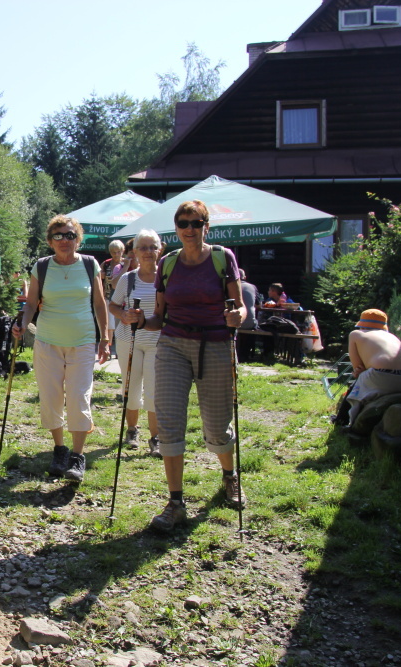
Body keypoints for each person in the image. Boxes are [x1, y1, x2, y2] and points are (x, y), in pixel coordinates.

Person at [137, 200, 246, 532]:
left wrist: (236, 317)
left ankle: (229, 475)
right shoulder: (167, 264)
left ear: (206, 227)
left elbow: (240, 308)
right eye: (182, 224)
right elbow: (159, 316)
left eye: (195, 224)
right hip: (172, 345)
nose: (188, 229)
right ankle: (176, 503)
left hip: (214, 345)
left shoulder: (221, 258)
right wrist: (140, 320)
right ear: (177, 227)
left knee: (215, 426)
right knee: (169, 422)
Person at [13, 215, 109, 483]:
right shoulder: (42, 267)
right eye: (58, 235)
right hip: (47, 342)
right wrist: (22, 322)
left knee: (79, 398)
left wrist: (105, 338)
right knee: (51, 397)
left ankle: (77, 457)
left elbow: (100, 304)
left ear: (78, 239)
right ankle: (59, 449)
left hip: (83, 342)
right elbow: (31, 303)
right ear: (50, 241)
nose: (65, 240)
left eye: (70, 235)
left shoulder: (90, 265)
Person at [110, 229, 163, 458]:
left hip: (158, 342)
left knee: (153, 391)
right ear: (135, 252)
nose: (148, 252)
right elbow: (113, 305)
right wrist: (123, 315)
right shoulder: (128, 278)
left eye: (153, 247)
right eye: (144, 247)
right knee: (131, 387)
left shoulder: (166, 277)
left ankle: (156, 439)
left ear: (160, 250)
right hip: (128, 340)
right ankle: (132, 431)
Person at [336, 308, 401, 426]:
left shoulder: (356, 334)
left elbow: (358, 368)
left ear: (361, 324)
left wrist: (360, 372)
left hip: (382, 378)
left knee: (358, 381)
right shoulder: (392, 337)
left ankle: (342, 420)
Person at [101, 240, 125, 355]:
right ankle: (109, 349)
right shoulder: (106, 263)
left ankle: (119, 348)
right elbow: (98, 274)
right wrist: (102, 274)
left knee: (120, 324)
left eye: (118, 252)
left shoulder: (126, 264)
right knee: (109, 324)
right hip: (108, 296)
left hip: (123, 299)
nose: (116, 255)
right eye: (113, 252)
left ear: (122, 251)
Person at [238, 269, 259, 361]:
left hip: (232, 322)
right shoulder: (252, 287)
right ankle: (246, 353)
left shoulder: (228, 286)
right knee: (254, 324)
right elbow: (258, 305)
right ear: (245, 277)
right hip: (249, 322)